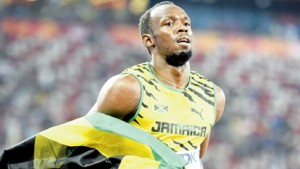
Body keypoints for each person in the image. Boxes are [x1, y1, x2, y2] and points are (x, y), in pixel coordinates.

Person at [88, 1, 225, 169]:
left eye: (186, 23)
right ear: (149, 40)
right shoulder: (128, 87)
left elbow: (196, 154)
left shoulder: (213, 96)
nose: (182, 28)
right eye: (169, 23)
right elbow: (82, 141)